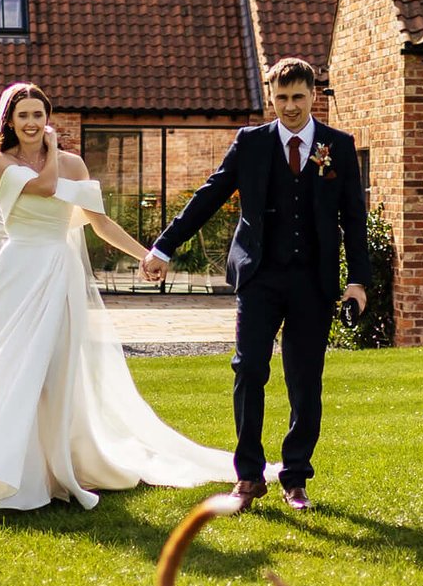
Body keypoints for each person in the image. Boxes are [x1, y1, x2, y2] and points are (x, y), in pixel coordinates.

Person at [0, 82, 242, 511]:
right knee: (12, 364)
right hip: (18, 271)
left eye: (38, 115)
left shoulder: (75, 165)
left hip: (57, 272)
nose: (31, 123)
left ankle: (54, 466)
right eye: (23, 115)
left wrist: (148, 255)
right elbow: (44, 188)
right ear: (10, 120)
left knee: (56, 369)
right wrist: (54, 145)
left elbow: (99, 224)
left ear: (47, 116)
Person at [140, 58, 368, 512]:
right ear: (271, 98)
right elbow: (210, 195)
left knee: (305, 380)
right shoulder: (251, 143)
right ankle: (248, 476)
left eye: (298, 97)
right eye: (281, 98)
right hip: (259, 276)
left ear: (313, 97)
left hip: (313, 280)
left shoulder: (338, 146)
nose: (289, 107)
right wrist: (163, 247)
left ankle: (296, 476)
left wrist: (358, 280)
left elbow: (354, 220)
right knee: (249, 370)